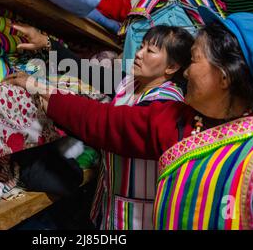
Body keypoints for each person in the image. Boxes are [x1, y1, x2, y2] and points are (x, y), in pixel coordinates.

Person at [8, 6, 253, 230]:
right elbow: (100, 113)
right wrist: (46, 53)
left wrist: (38, 86)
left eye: (195, 60)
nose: (189, 71)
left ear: (224, 76)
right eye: (141, 47)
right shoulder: (175, 117)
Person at [11, 23, 194, 230]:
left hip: (138, 218)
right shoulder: (130, 83)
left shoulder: (166, 104)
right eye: (141, 46)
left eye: (150, 51)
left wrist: (40, 88)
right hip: (108, 205)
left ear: (171, 67)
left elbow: (105, 125)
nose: (139, 54)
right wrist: (46, 42)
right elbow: (85, 71)